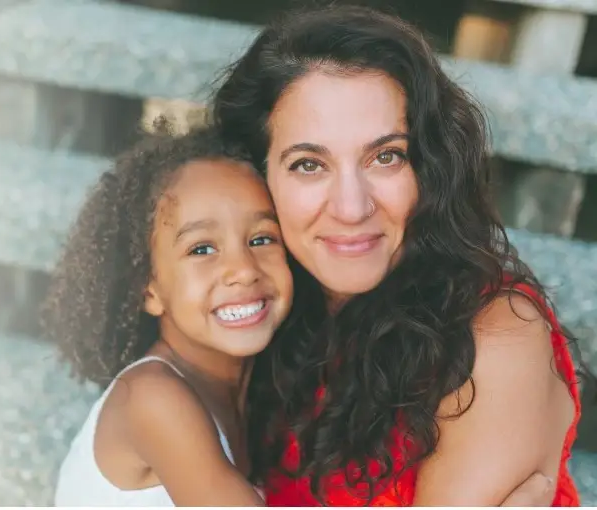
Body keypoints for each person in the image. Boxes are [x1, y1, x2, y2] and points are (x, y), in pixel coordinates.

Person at [209, 5, 585, 506]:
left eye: (386, 156)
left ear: (430, 165)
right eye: (308, 164)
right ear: (257, 177)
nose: (351, 207)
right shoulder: (265, 317)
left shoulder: (496, 335)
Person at [45, 124, 291, 506]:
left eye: (261, 239)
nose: (244, 268)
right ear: (149, 289)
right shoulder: (153, 398)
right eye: (202, 249)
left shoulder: (251, 387)